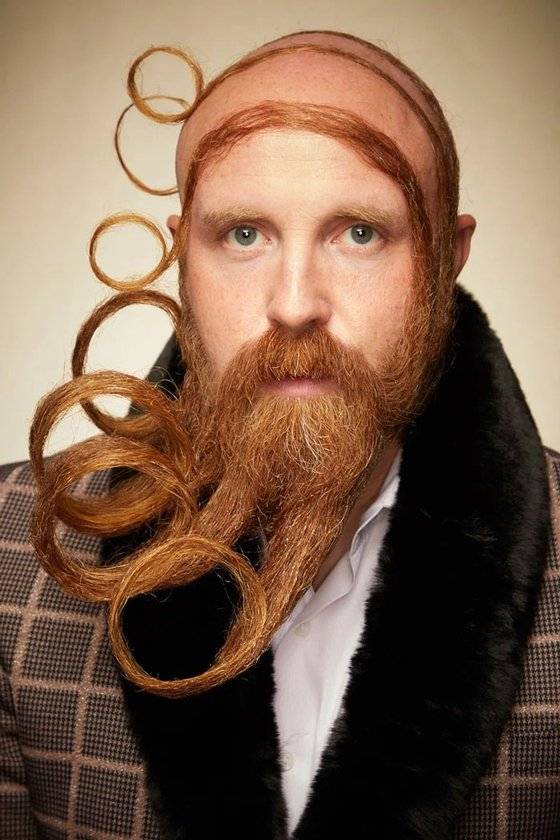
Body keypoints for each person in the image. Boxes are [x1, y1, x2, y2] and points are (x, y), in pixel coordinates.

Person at [0, 27, 558, 840]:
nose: (295, 304)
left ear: (447, 257)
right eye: (243, 235)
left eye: (360, 233)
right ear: (183, 256)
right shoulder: (7, 553)